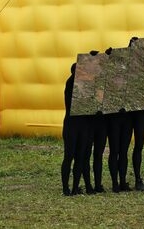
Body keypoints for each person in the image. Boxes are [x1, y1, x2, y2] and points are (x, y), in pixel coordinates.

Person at [61, 63, 94, 195]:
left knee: (80, 157)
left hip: (82, 125)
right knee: (69, 156)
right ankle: (65, 188)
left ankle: (75, 187)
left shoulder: (84, 87)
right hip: (71, 125)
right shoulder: (70, 83)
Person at [106, 110, 133, 193]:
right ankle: (115, 183)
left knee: (124, 152)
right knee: (114, 151)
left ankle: (122, 182)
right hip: (113, 117)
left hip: (128, 117)